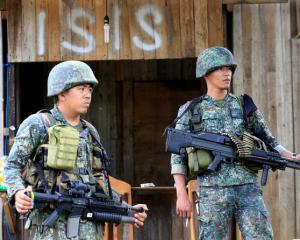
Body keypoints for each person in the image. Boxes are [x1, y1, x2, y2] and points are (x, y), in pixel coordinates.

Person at [4, 60, 148, 239]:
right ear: (62, 93)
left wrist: (127, 209)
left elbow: (99, 183)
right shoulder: (39, 124)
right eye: (81, 89)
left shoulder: (90, 132)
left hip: (89, 230)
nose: (88, 95)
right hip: (52, 229)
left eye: (89, 89)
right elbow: (11, 166)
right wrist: (18, 192)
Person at [170, 46, 300, 239]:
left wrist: (293, 157)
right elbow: (177, 155)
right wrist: (181, 193)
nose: (227, 73)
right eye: (220, 68)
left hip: (248, 189)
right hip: (213, 191)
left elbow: (269, 140)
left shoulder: (244, 104)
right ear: (205, 72)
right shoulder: (191, 110)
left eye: (229, 68)